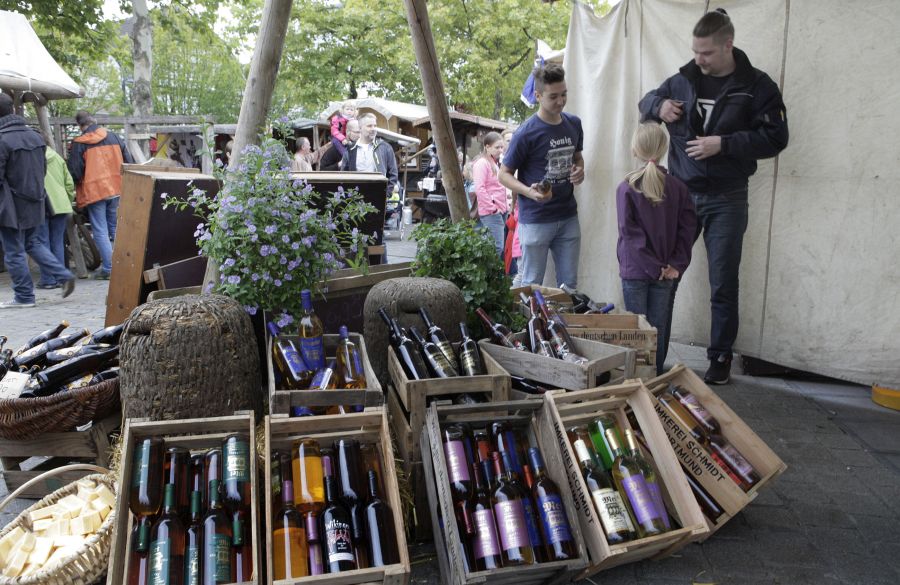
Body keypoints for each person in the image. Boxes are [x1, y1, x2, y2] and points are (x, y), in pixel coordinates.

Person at [638, 8, 788, 383]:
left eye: (705, 53)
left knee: (723, 282)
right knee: (665, 275)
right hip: (681, 196)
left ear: (727, 45)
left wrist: (724, 143)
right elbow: (645, 104)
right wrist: (659, 106)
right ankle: (654, 356)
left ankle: (719, 358)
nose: (698, 59)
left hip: (728, 197)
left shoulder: (757, 85)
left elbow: (776, 138)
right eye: (695, 51)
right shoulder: (682, 80)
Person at [616, 123, 697, 375]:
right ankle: (656, 380)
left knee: (637, 331)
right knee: (658, 329)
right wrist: (675, 265)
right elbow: (688, 230)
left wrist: (652, 266)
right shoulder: (679, 188)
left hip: (635, 271)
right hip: (666, 272)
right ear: (664, 150)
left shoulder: (626, 187)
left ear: (634, 150)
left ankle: (637, 382)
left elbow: (629, 233)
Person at [499, 63, 585, 288]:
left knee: (569, 286)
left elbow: (577, 158)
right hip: (536, 219)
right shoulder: (525, 132)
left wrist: (579, 170)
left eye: (564, 94)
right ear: (537, 96)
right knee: (531, 285)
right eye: (553, 96)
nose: (561, 101)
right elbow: (503, 174)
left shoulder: (574, 123)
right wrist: (529, 192)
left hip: (568, 216)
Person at [0, 94, 75, 307]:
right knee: (33, 243)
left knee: (14, 252)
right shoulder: (34, 137)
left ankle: (24, 297)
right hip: (36, 201)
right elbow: (42, 170)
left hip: (10, 206)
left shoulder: (2, 140)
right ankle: (63, 274)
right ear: (12, 110)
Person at [67, 110, 134, 280]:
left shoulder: (79, 143)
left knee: (100, 230)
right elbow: (129, 162)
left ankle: (109, 269)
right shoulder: (114, 137)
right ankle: (123, 265)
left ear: (80, 125)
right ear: (94, 121)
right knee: (115, 228)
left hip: (94, 191)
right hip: (117, 188)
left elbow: (75, 172)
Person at [34, 129, 76, 289]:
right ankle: (60, 278)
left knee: (42, 242)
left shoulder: (33, 158)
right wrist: (67, 201)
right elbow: (69, 183)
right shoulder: (57, 157)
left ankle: (48, 279)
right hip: (61, 204)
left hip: (41, 204)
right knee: (57, 242)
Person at [341, 113, 398, 199]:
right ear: (360, 128)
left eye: (375, 126)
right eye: (369, 126)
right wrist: (349, 196)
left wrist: (386, 195)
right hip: (355, 199)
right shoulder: (351, 149)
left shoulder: (385, 147)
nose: (373, 129)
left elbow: (393, 174)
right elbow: (344, 175)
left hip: (378, 197)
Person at [472, 132, 508, 256]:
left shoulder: (493, 162)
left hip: (500, 210)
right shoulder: (482, 163)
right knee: (496, 247)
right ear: (487, 147)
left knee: (497, 247)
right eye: (497, 147)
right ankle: (488, 270)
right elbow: (479, 189)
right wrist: (493, 209)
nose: (500, 150)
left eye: (502, 147)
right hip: (492, 211)